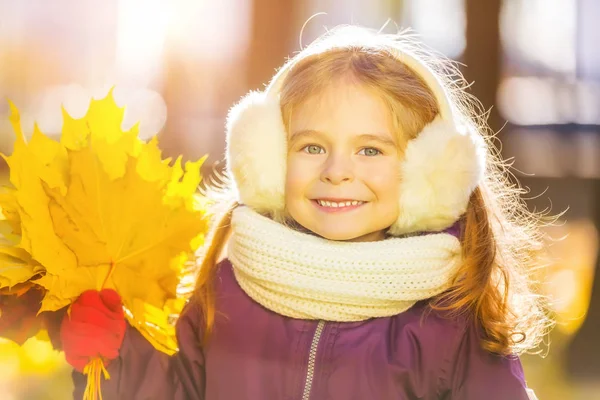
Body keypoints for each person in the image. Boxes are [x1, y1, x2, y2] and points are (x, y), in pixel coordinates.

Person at [59, 26, 550, 399]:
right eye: (312, 147)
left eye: (371, 151)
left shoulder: (447, 321)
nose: (337, 171)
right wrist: (112, 360)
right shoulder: (226, 293)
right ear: (268, 161)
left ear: (429, 174)